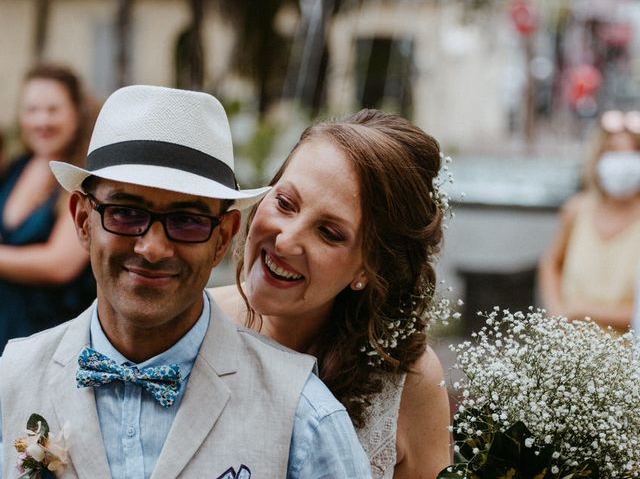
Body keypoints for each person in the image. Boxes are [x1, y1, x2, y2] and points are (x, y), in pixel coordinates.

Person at [0, 85, 371, 479]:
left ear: (223, 237)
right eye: (125, 212)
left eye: (188, 220)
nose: (153, 248)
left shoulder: (302, 416)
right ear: (82, 221)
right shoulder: (11, 381)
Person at [212, 109, 452, 478]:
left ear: (368, 268)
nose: (285, 240)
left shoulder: (409, 379)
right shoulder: (194, 325)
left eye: (329, 232)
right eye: (285, 203)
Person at [0, 63, 98, 351]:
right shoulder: (17, 167)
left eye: (53, 110)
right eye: (32, 110)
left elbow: (60, 265)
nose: (41, 120)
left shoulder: (84, 178)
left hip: (51, 339)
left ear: (76, 114)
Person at [539, 110, 640, 332]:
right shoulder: (576, 210)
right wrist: (555, 311)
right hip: (568, 350)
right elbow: (551, 264)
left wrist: (579, 312)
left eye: (634, 151)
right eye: (613, 150)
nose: (624, 161)